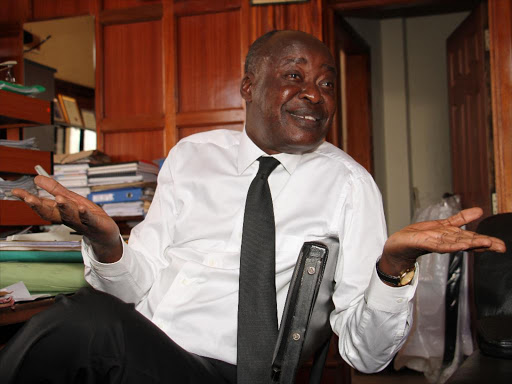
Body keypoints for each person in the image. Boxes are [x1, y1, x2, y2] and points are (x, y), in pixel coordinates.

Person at [0, 30, 505, 384]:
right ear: (248, 87)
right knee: (77, 333)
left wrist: (393, 271)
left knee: (81, 327)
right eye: (294, 75)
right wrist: (108, 244)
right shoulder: (193, 156)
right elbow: (138, 284)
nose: (314, 94)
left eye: (328, 83)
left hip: (234, 373)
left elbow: (367, 357)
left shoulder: (350, 185)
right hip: (150, 350)